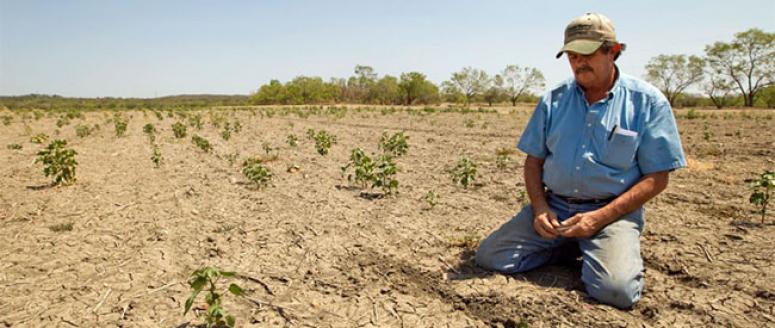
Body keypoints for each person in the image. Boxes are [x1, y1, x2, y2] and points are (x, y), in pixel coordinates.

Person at [474, 12, 686, 309]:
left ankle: (597, 247)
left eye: (586, 54)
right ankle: (566, 245)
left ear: (613, 51)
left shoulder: (647, 102)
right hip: (556, 207)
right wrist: (540, 208)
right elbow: (533, 161)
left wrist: (597, 219)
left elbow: (657, 178)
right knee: (490, 257)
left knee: (617, 292)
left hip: (611, 214)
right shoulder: (554, 100)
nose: (578, 62)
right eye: (571, 55)